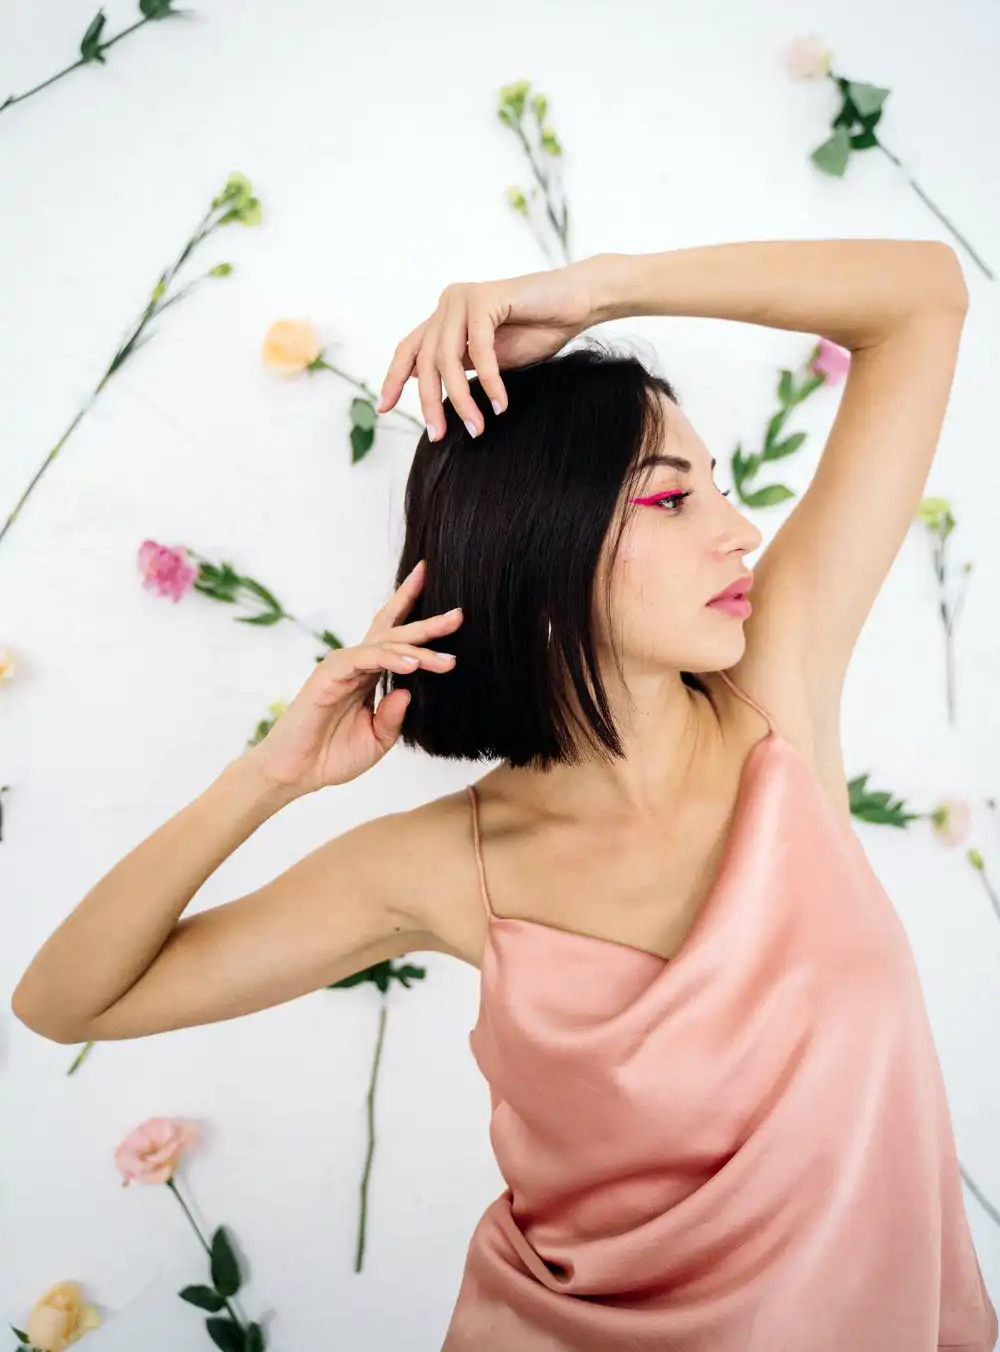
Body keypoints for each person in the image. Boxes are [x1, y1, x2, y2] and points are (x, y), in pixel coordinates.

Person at [13, 240, 996, 1351]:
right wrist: (266, 779)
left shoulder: (779, 697)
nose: (739, 528)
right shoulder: (441, 867)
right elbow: (67, 1001)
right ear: (543, 550)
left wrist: (592, 292)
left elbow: (923, 297)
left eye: (717, 488)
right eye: (672, 500)